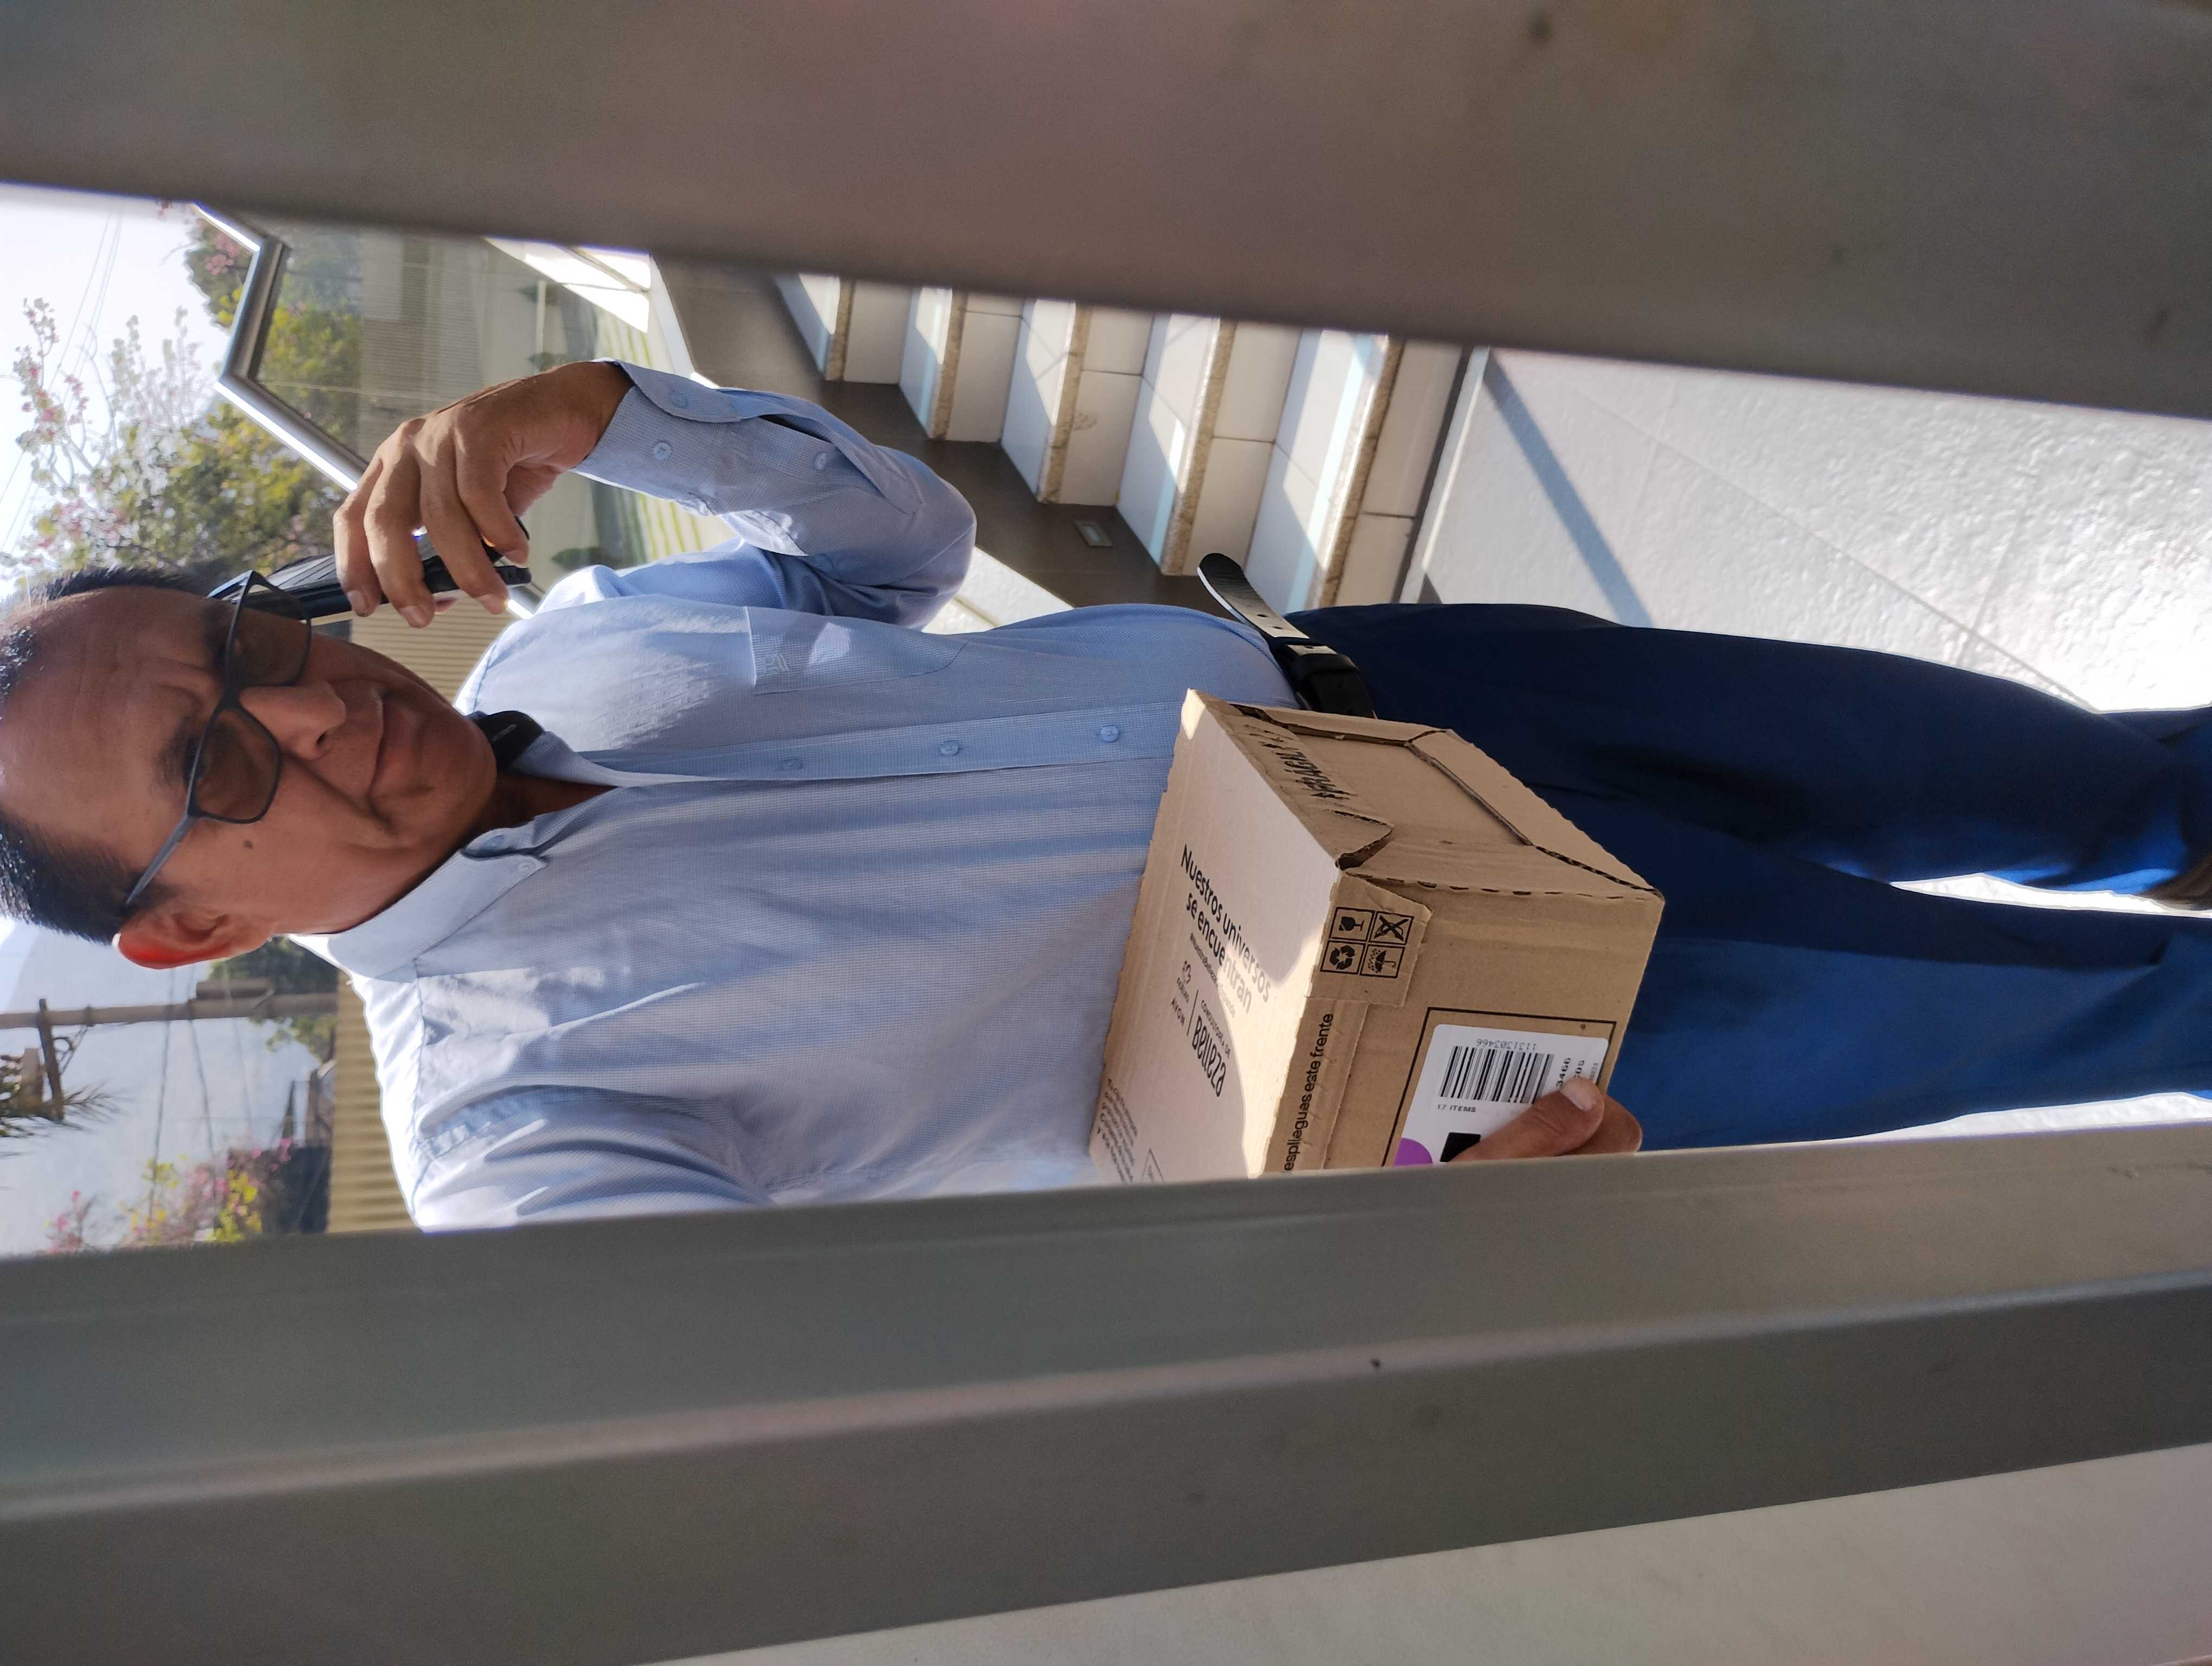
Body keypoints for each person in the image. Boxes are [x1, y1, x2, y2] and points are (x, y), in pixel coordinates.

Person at [0, 361, 2203, 1228]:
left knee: (2078, 777)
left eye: (248, 642)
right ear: (190, 930)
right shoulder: (517, 1135)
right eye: (218, 762)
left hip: (1428, 684)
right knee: (2104, 1016)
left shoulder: (575, 649)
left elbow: (903, 550)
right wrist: (1385, 1277)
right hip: (1468, 1011)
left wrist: (609, 419)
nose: (313, 707)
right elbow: (876, 1420)